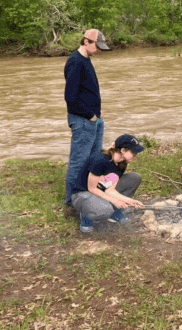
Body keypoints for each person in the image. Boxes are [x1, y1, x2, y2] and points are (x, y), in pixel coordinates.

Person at [64, 29, 110, 207]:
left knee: (93, 159)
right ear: (86, 41)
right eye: (97, 46)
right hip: (83, 120)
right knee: (78, 161)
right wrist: (90, 114)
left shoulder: (86, 60)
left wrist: (98, 112)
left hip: (93, 118)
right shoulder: (75, 62)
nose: (98, 50)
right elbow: (71, 97)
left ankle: (87, 194)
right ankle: (71, 201)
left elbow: (87, 91)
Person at [71, 134, 145, 233]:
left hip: (100, 190)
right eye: (133, 152)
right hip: (82, 194)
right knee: (106, 210)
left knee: (134, 178)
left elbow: (110, 190)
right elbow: (92, 188)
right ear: (123, 150)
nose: (136, 155)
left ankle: (114, 213)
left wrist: (130, 201)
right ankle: (86, 217)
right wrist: (115, 201)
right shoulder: (100, 160)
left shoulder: (121, 163)